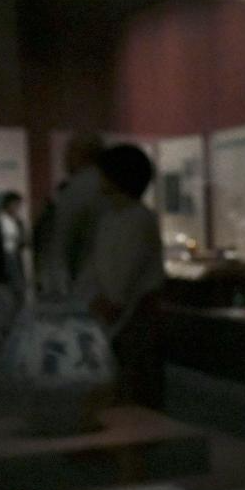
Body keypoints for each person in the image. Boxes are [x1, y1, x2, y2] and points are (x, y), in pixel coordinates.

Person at [85, 144, 165, 407]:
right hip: (114, 317)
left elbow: (124, 276)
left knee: (134, 395)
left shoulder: (138, 218)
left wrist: (110, 304)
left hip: (132, 320)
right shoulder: (112, 218)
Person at [41, 135, 105, 300]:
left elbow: (62, 240)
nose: (65, 160)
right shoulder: (109, 185)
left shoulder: (78, 188)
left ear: (81, 154)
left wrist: (56, 288)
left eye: (69, 153)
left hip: (83, 285)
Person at [0, 191, 28, 337]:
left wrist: (20, 243)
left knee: (16, 294)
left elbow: (21, 243)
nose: (17, 208)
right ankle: (3, 326)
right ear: (8, 204)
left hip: (13, 260)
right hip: (2, 262)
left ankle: (7, 325)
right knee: (5, 296)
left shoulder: (17, 222)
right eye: (15, 204)